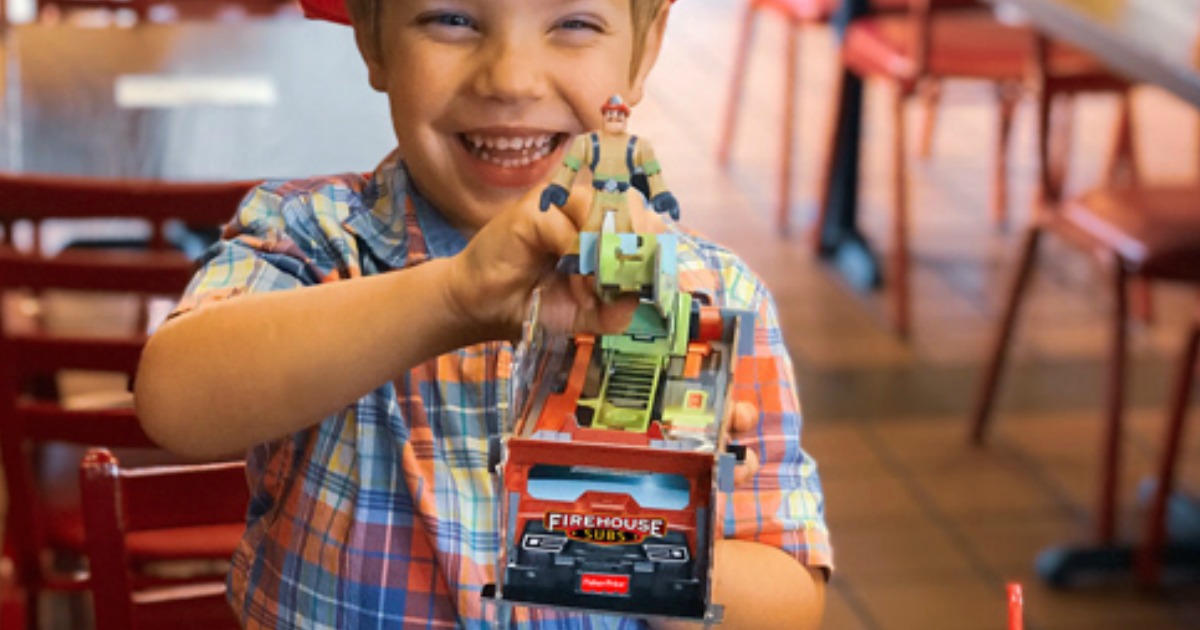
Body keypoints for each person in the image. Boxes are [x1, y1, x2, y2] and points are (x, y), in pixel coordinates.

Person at [133, 0, 832, 627]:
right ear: (373, 38)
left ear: (644, 50)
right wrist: (453, 298)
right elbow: (174, 403)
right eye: (453, 18)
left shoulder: (710, 297)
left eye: (574, 23)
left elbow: (789, 600)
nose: (511, 79)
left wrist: (626, 518)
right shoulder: (314, 241)